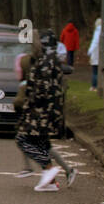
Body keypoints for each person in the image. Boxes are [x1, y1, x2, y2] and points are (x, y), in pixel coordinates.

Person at [15, 31, 68, 192]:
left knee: (23, 140)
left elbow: (43, 89)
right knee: (41, 142)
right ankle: (50, 182)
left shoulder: (45, 62)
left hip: (40, 111)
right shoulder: (51, 61)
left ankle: (47, 166)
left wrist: (30, 102)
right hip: (48, 110)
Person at [87, 17, 104, 91]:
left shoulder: (99, 30)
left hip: (97, 53)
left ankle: (94, 86)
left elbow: (95, 42)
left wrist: (90, 51)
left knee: (95, 71)